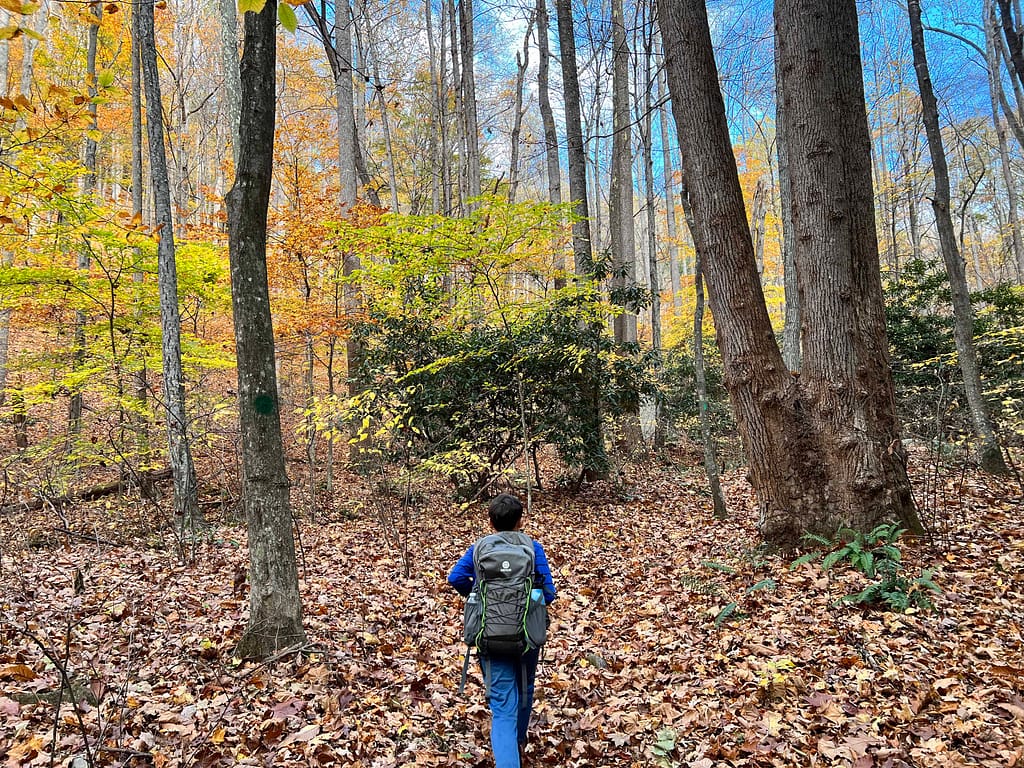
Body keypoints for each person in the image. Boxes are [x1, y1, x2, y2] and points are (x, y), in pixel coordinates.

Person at [448, 493, 557, 768]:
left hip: (489, 633)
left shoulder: (480, 548)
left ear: (490, 521)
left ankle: (509, 751)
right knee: (526, 687)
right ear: (521, 521)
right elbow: (549, 594)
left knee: (502, 705)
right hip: (526, 634)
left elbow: (456, 578)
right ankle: (518, 741)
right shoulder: (533, 548)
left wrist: (477, 594)